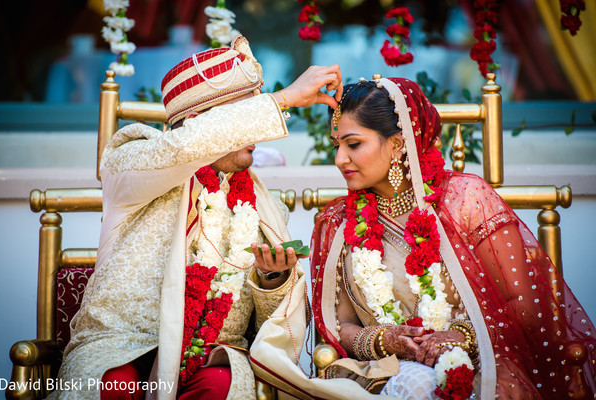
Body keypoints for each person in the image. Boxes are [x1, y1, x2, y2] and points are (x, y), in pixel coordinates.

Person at [249, 76, 596, 400]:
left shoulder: (466, 201)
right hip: (381, 374)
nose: (340, 159)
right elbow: (340, 327)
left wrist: (462, 337)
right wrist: (385, 339)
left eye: (353, 144)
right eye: (337, 145)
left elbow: (526, 305)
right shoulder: (337, 223)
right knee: (418, 383)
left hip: (484, 361)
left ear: (398, 143)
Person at [48, 35, 342, 400]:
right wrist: (283, 99)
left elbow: (271, 327)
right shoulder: (133, 161)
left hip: (214, 357)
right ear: (197, 122)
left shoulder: (266, 209)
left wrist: (271, 281)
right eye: (242, 114)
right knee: (112, 386)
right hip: (121, 346)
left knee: (223, 388)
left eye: (255, 113)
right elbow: (184, 146)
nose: (258, 130)